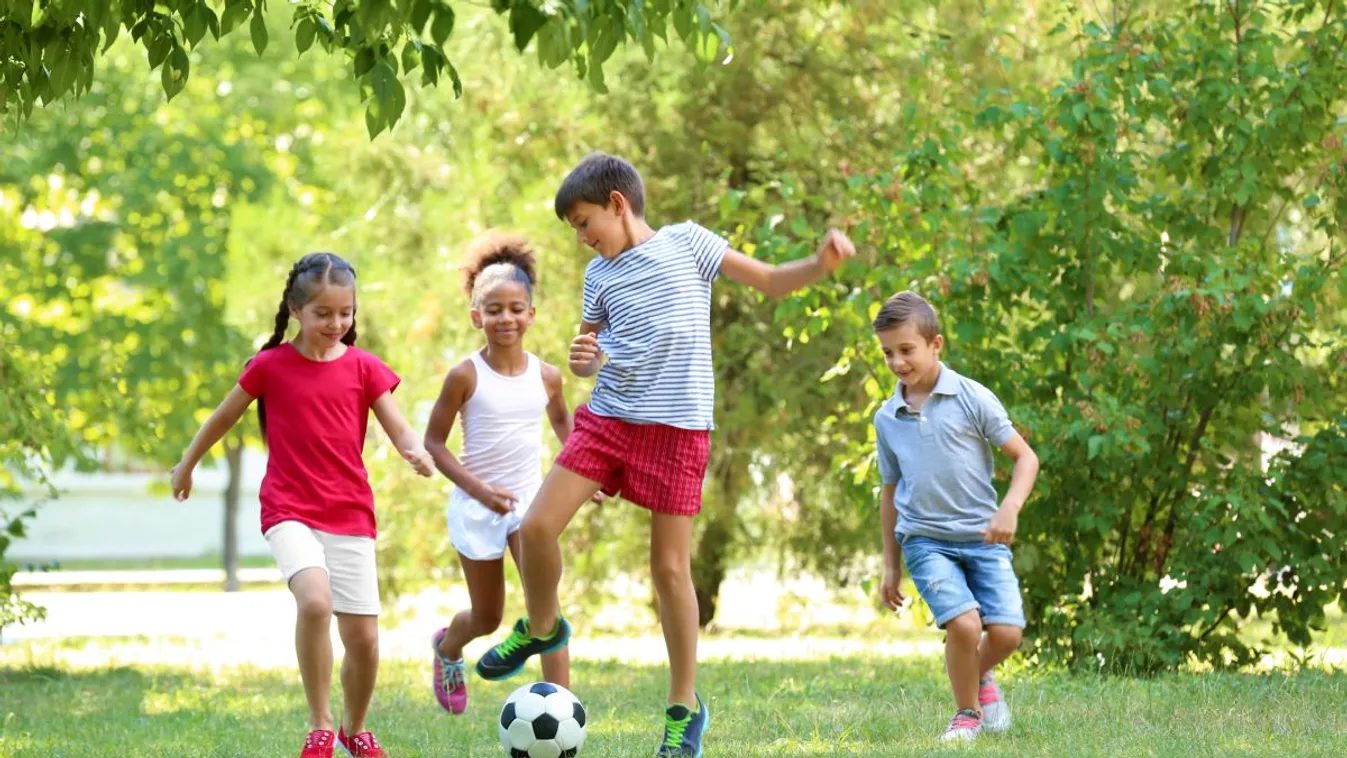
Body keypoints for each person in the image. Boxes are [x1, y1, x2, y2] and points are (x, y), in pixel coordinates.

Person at [475, 152, 857, 757]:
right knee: (538, 526)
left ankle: (684, 708)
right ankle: (540, 626)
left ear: (618, 205)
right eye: (573, 229)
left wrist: (819, 263)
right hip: (607, 421)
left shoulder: (689, 244)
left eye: (583, 222)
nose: (580, 239)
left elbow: (767, 280)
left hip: (678, 430)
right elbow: (593, 352)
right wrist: (584, 362)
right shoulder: (598, 276)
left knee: (669, 570)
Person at [170, 252, 434, 758]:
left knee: (363, 640)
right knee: (315, 602)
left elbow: (396, 424)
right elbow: (222, 418)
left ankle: (354, 729)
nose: (336, 323)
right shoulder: (270, 367)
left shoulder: (364, 368)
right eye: (324, 314)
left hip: (350, 511)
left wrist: (413, 450)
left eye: (346, 313)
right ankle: (320, 724)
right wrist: (187, 464)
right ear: (296, 309)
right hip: (289, 507)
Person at [423, 231, 594, 715]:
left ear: (531, 314)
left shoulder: (547, 375)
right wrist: (479, 491)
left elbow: (563, 420)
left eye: (516, 308)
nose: (506, 318)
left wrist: (584, 471)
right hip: (476, 506)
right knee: (487, 617)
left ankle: (562, 708)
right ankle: (447, 648)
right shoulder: (465, 375)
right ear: (476, 316)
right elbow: (434, 444)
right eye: (494, 309)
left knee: (546, 609)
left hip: (530, 507)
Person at [870, 290, 1040, 742]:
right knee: (964, 625)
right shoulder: (887, 417)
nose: (897, 361)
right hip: (925, 539)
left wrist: (1010, 508)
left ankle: (978, 677)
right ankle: (966, 712)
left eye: (906, 350)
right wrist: (891, 564)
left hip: (984, 535)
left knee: (1006, 634)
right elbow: (890, 492)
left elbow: (1026, 458)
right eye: (888, 352)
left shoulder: (971, 397)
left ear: (935, 344)